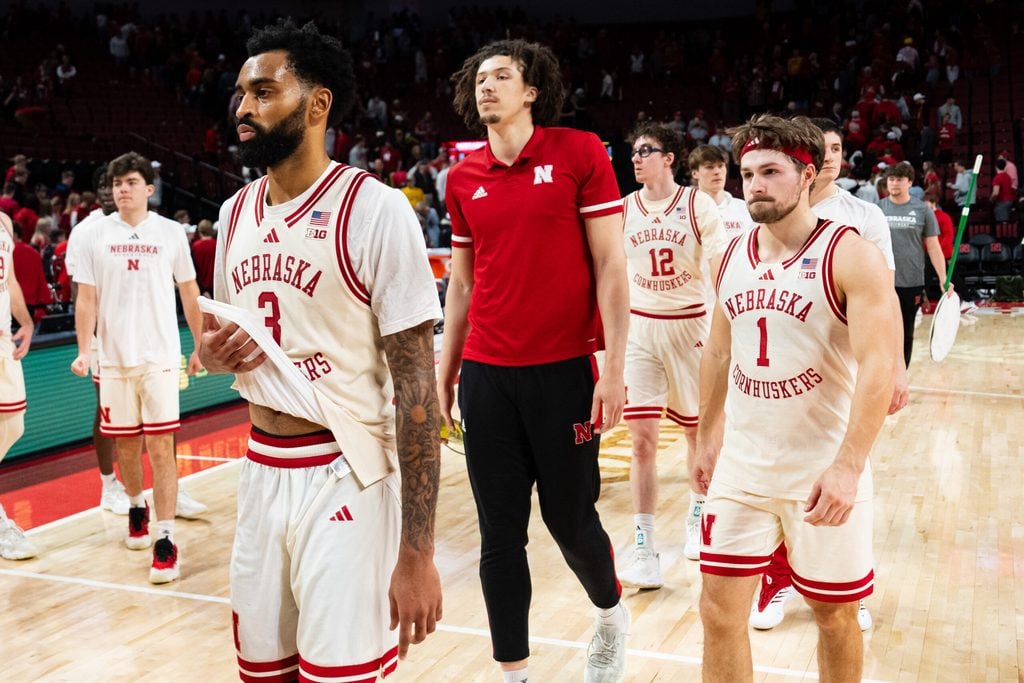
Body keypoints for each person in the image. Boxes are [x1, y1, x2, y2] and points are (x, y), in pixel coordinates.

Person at [198, 20, 443, 680]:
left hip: (346, 469)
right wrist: (216, 356)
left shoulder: (376, 209)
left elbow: (418, 388)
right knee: (262, 672)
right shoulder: (234, 214)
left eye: (263, 91)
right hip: (259, 467)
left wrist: (417, 550)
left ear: (316, 105)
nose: (242, 107)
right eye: (241, 94)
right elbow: (240, 346)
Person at [439, 39, 631, 683]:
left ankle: (609, 613)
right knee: (500, 534)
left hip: (564, 373)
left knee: (570, 521)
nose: (486, 86)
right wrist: (447, 370)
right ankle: (513, 674)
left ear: (532, 91)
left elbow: (610, 266)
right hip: (489, 376)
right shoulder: (461, 178)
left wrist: (615, 368)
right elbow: (461, 285)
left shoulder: (578, 152)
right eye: (479, 78)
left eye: (501, 76)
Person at [694, 114, 897, 683]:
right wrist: (707, 435)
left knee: (834, 619)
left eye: (771, 172)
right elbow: (717, 351)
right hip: (744, 465)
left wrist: (849, 467)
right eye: (747, 173)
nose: (754, 184)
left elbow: (880, 362)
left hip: (820, 467)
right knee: (717, 611)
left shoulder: (849, 251)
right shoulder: (731, 254)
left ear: (807, 176)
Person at [748, 117, 909, 632]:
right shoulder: (771, 208)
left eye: (840, 147)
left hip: (843, 372)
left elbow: (885, 296)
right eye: (827, 147)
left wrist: (898, 363)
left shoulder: (863, 215)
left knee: (848, 477)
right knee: (776, 484)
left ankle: (850, 582)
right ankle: (778, 578)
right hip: (776, 376)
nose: (835, 156)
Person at [70, 151, 204, 584]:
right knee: (127, 448)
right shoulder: (92, 234)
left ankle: (165, 539)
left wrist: (199, 345)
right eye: (116, 183)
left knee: (162, 447)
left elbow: (189, 290)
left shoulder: (169, 233)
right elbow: (86, 297)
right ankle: (134, 505)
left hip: (160, 357)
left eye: (130, 182)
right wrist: (84, 350)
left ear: (149, 188)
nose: (121, 189)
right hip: (113, 358)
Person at [617, 123, 725, 590]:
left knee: (696, 436)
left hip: (691, 328)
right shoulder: (624, 209)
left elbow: (721, 271)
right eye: (634, 151)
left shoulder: (697, 205)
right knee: (641, 442)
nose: (637, 158)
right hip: (641, 329)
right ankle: (643, 547)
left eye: (647, 151)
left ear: (670, 158)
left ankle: (698, 515)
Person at [878, 162, 949, 367]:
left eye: (899, 179)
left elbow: (934, 247)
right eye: (891, 179)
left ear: (909, 182)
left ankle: (901, 377)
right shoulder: (877, 209)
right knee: (882, 332)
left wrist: (944, 279)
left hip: (911, 282)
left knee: (906, 333)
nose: (894, 184)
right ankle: (881, 377)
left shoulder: (922, 210)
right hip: (882, 282)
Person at [0, 211, 37, 560]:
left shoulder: (4, 222)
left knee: (14, 424)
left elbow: (8, 280)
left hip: (1, 338)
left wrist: (24, 320)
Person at [689, 144, 754, 241]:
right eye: (709, 167)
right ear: (695, 173)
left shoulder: (745, 209)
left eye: (721, 166)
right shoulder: (684, 210)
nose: (717, 171)